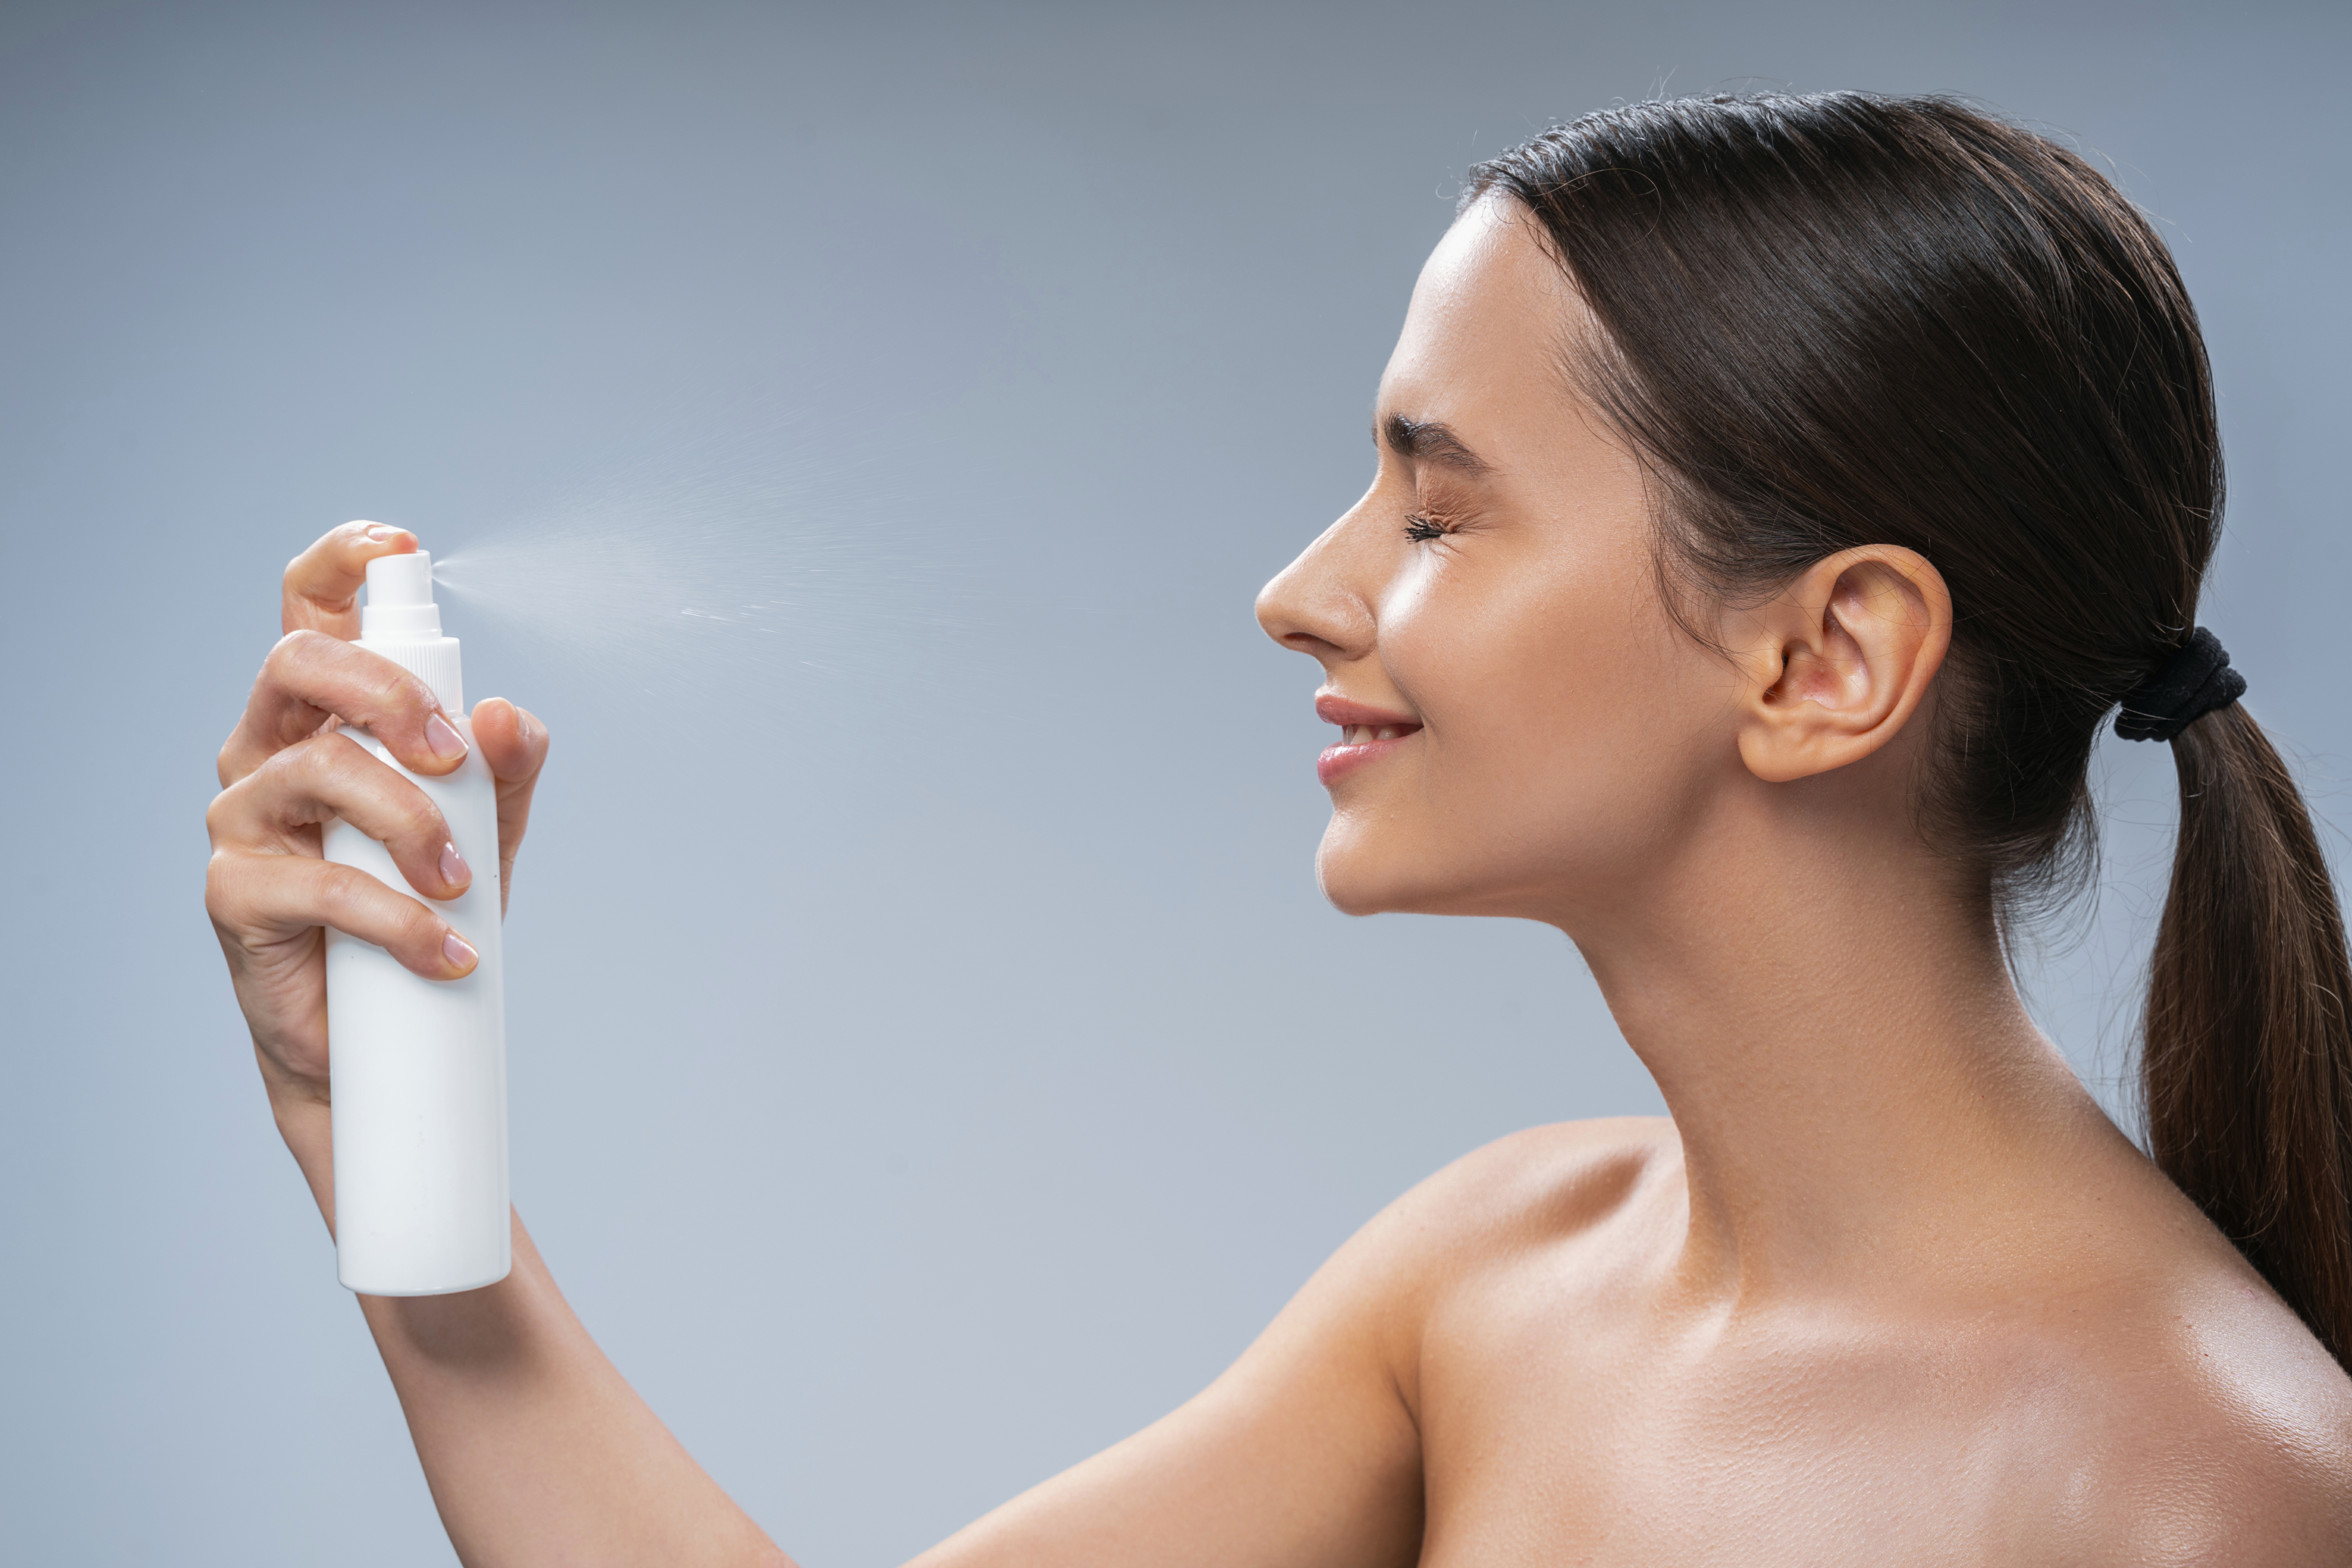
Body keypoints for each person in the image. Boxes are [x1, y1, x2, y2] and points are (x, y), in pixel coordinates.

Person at [204, 92, 2352, 1564]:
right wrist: (398, 1155)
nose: (1303, 589)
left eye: (1435, 506)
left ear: (1824, 661)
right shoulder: (1506, 1273)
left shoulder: (2194, 1493)